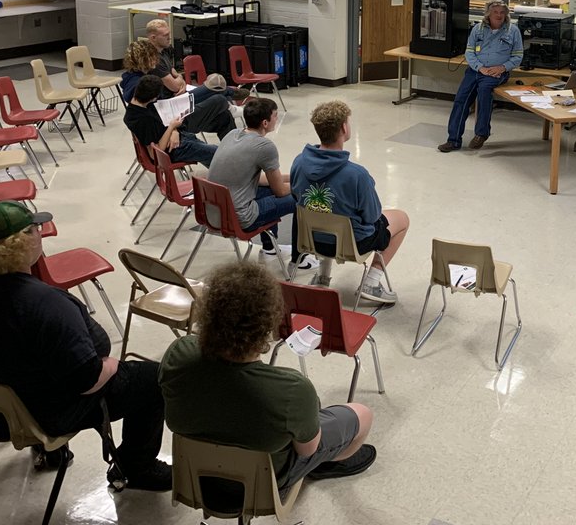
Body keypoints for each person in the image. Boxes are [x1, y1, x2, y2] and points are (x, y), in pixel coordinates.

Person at [0, 202, 171, 490]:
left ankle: (50, 453)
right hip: (43, 415)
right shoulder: (44, 303)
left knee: (18, 362)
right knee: (153, 379)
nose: (41, 232)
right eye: (36, 228)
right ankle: (138, 468)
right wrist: (111, 365)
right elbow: (87, 380)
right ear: (25, 242)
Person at [159, 260, 376, 496]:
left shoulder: (179, 353)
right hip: (263, 487)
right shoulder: (292, 389)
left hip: (195, 476)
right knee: (362, 414)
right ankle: (325, 465)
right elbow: (307, 450)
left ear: (208, 313)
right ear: (269, 324)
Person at [290, 100, 409, 305]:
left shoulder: (299, 162)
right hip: (352, 245)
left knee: (325, 212)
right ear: (344, 128)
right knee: (401, 218)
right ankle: (371, 282)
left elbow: (296, 196)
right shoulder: (356, 175)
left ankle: (323, 277)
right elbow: (372, 216)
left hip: (311, 240)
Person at [207, 97, 312, 274]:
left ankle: (269, 247)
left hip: (214, 213)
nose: (276, 119)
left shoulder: (232, 135)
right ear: (265, 122)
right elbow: (280, 191)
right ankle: (298, 260)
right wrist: (302, 186)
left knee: (264, 190)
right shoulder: (265, 146)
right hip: (240, 218)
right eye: (275, 116)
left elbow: (260, 180)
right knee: (301, 199)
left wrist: (293, 178)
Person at [439, 0, 523, 152]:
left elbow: (518, 56)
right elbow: (469, 51)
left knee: (484, 93)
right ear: (488, 14)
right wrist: (479, 67)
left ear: (506, 15)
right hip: (476, 70)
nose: (499, 15)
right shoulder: (478, 29)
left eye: (502, 13)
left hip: (497, 72)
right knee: (461, 100)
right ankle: (453, 140)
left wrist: (503, 67)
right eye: (495, 12)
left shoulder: (513, 31)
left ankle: (482, 134)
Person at [124, 31, 235, 139]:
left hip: (173, 106)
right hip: (174, 120)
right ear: (145, 59)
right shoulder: (139, 84)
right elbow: (152, 116)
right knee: (219, 100)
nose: (157, 60)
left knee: (224, 117)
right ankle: (231, 96)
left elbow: (175, 78)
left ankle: (232, 152)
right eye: (154, 57)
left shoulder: (139, 75)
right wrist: (173, 130)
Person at [123, 74, 217, 167]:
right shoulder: (142, 120)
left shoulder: (137, 106)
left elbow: (163, 121)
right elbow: (155, 153)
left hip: (180, 137)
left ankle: (218, 175)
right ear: (153, 98)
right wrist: (172, 127)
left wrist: (174, 130)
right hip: (175, 149)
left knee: (212, 153)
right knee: (219, 153)